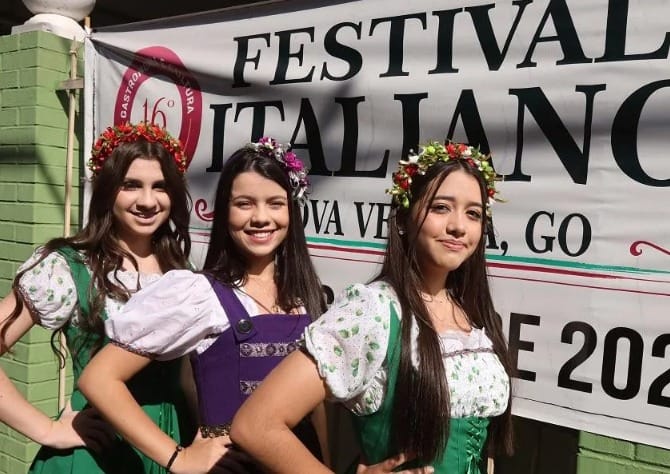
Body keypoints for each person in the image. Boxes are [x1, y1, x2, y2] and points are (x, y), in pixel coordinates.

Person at [230, 141, 515, 474]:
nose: (458, 226)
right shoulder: (374, 310)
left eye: (473, 214)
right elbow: (256, 425)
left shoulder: (472, 314)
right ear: (404, 218)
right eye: (440, 208)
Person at [79, 137, 328, 473]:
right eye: (244, 204)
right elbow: (99, 379)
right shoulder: (200, 294)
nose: (260, 217)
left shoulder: (304, 297)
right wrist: (178, 458)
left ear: (291, 212)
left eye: (275, 203)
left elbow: (316, 410)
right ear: (224, 212)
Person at [0, 122, 201, 473]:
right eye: (131, 185)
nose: (147, 201)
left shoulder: (183, 270)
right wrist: (47, 430)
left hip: (171, 448)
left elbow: (187, 376)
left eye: (160, 187)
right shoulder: (68, 266)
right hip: (97, 454)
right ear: (108, 190)